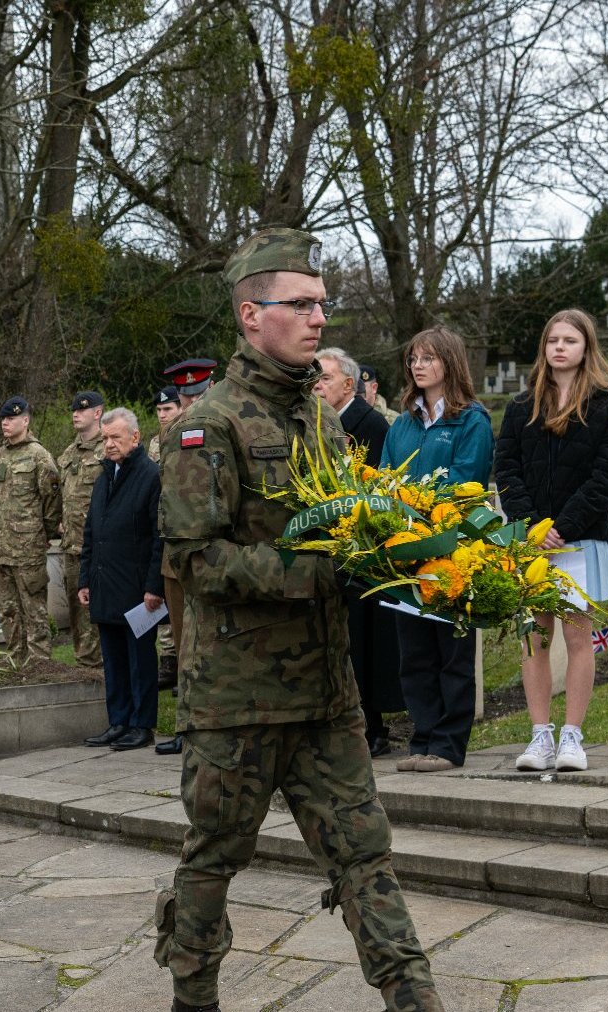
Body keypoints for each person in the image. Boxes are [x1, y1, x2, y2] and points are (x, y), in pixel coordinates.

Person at [155, 227, 441, 1012]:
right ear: (252, 315)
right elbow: (195, 560)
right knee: (213, 858)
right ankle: (194, 998)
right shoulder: (205, 426)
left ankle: (416, 999)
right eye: (302, 304)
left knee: (365, 858)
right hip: (236, 698)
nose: (320, 318)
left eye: (323, 303)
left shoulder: (322, 420)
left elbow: (344, 525)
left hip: (324, 694)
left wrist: (402, 552)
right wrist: (312, 570)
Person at [495, 309, 608, 773]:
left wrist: (565, 526)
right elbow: (507, 470)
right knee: (534, 637)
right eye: (552, 339)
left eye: (569, 340)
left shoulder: (606, 406)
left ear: (585, 347)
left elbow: (607, 477)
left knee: (577, 637)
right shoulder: (521, 406)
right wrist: (533, 525)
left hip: (581, 539)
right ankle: (540, 737)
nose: (559, 347)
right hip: (531, 542)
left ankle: (572, 736)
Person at [383, 326, 493, 774]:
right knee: (415, 654)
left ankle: (449, 744)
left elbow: (467, 483)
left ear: (450, 361)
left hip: (451, 552)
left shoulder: (472, 420)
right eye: (413, 358)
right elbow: (386, 477)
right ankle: (423, 738)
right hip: (404, 551)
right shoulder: (403, 423)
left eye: (427, 358)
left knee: (451, 651)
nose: (418, 365)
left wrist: (419, 500)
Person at [314, 346, 401, 758]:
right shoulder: (315, 422)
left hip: (362, 547)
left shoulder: (368, 424)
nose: (316, 384)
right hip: (327, 546)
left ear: (350, 384)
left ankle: (372, 726)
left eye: (325, 378)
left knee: (363, 641)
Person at [78, 408, 165, 752]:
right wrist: (85, 578)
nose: (109, 445)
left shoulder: (150, 475)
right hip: (105, 583)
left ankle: (142, 725)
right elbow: (91, 532)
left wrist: (154, 587)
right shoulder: (105, 477)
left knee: (139, 659)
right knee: (112, 657)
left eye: (116, 438)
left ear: (135, 437)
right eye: (105, 439)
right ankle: (119, 720)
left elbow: (160, 536)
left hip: (137, 588)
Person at [154, 359, 218, 757]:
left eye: (197, 394)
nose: (191, 401)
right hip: (175, 557)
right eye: (185, 396)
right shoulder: (169, 435)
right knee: (181, 645)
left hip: (215, 553)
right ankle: (186, 726)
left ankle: (212, 725)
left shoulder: (224, 425)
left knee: (213, 645)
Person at [0, 396, 62, 668]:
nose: (5, 423)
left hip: (28, 550)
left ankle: (39, 665)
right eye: (3, 419)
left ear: (25, 420)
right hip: (0, 551)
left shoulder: (39, 456)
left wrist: (43, 534)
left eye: (11, 418)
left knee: (34, 611)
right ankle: (15, 661)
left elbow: (52, 501)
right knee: (8, 611)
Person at [57, 390, 107, 668]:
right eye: (73, 410)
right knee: (77, 614)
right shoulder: (68, 454)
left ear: (97, 413)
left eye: (82, 410)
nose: (75, 414)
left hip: (100, 548)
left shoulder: (108, 450)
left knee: (98, 613)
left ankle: (102, 668)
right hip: (72, 546)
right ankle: (85, 667)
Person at [147, 386, 183, 694]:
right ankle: (168, 661)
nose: (163, 415)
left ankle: (180, 664)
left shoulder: (186, 435)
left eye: (168, 409)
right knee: (164, 601)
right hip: (160, 524)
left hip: (180, 525)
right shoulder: (154, 444)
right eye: (159, 411)